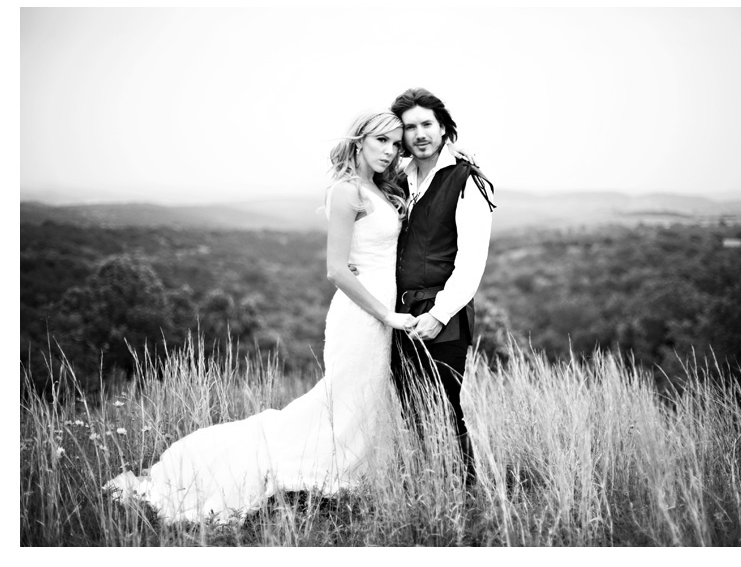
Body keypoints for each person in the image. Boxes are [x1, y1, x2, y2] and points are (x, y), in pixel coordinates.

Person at [103, 110, 415, 524]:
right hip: (363, 315)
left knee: (366, 400)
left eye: (396, 144)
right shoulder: (346, 192)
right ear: (359, 141)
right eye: (381, 141)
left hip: (383, 311)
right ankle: (321, 475)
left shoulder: (379, 187)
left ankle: (357, 475)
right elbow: (337, 269)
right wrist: (387, 315)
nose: (390, 151)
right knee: (344, 400)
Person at [389, 88, 495, 486]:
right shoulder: (400, 180)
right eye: (409, 127)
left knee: (446, 408)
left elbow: (471, 264)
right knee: (413, 411)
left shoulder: (468, 181)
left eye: (426, 124)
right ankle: (429, 488)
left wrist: (438, 315)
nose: (419, 134)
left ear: (443, 127)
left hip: (442, 316)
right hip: (398, 316)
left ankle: (467, 494)